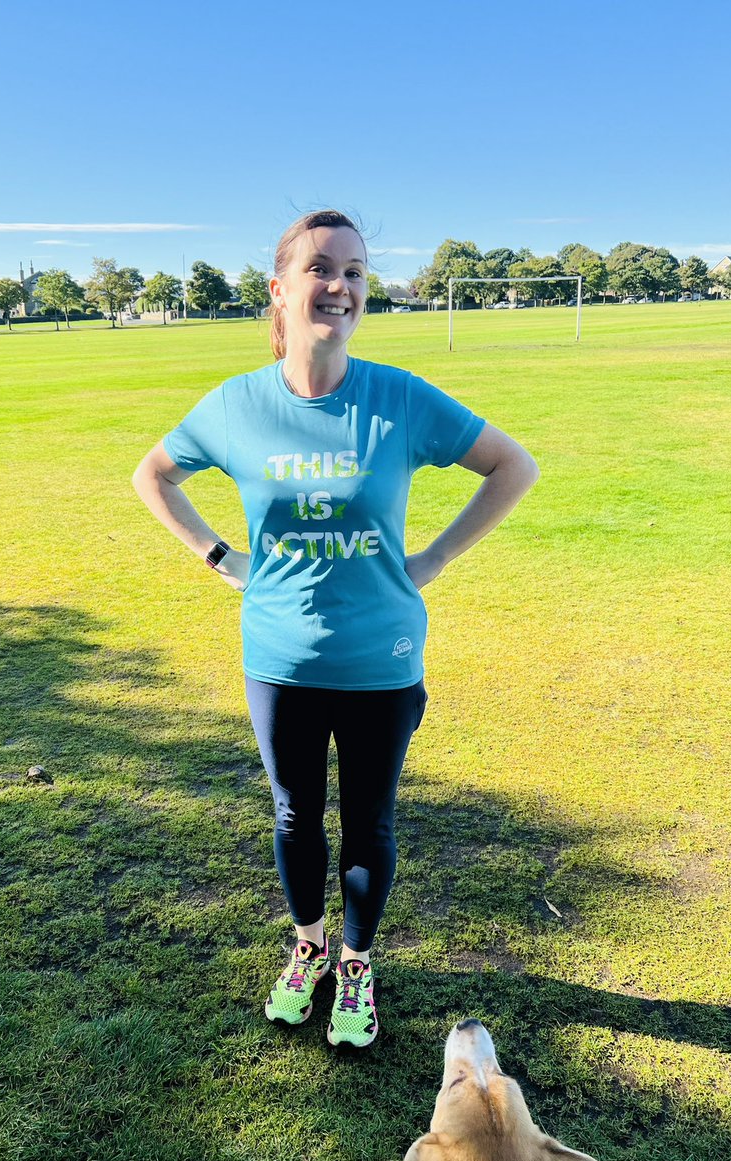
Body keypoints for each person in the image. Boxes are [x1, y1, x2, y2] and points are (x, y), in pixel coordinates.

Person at [132, 210, 539, 1048]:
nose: (340, 286)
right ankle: (307, 948)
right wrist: (217, 556)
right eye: (321, 269)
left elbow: (512, 466)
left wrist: (431, 561)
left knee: (368, 823)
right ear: (279, 290)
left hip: (380, 656)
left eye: (354, 272)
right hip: (276, 655)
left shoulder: (397, 397)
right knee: (292, 817)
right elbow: (155, 474)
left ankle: (355, 963)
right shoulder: (236, 406)